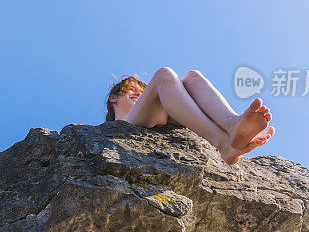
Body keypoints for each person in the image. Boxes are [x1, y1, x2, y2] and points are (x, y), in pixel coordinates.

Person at [106, 69, 275, 165]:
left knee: (193, 77)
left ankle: (232, 126)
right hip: (130, 126)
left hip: (160, 122)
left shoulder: (157, 108)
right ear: (113, 98)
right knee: (165, 75)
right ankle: (222, 143)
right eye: (131, 89)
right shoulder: (110, 132)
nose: (138, 93)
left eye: (142, 92)